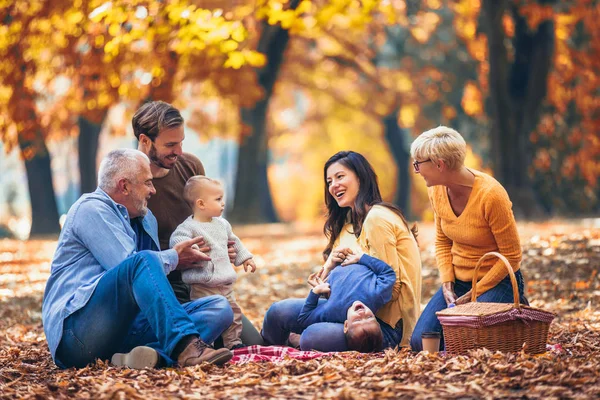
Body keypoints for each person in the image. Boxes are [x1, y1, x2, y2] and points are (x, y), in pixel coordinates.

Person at [41, 149, 234, 369]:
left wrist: (214, 252)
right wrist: (174, 257)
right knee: (142, 262)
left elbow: (150, 285)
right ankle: (186, 348)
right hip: (76, 335)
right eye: (148, 183)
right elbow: (130, 265)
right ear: (124, 186)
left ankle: (145, 357)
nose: (153, 190)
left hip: (123, 332)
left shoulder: (145, 219)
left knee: (219, 307)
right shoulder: (91, 209)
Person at [133, 100, 264, 346]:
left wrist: (223, 245)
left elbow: (210, 218)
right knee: (199, 343)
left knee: (251, 344)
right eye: (170, 145)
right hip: (165, 289)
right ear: (145, 140)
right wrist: (176, 258)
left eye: (181, 142)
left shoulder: (190, 166)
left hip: (207, 285)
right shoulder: (132, 180)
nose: (179, 151)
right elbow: (129, 256)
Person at [262, 151, 422, 351]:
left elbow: (392, 288)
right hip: (346, 309)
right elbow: (333, 284)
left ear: (361, 177)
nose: (333, 186)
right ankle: (265, 349)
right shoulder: (348, 223)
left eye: (340, 177)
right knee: (277, 312)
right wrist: (327, 270)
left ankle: (298, 340)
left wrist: (354, 273)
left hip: (381, 324)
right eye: (329, 181)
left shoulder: (377, 219)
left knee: (312, 336)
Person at [409, 126, 528, 352]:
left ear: (439, 164)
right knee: (422, 342)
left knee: (467, 340)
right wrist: (447, 282)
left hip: (497, 280)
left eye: (418, 164)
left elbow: (512, 257)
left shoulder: (491, 195)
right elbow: (443, 241)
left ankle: (511, 310)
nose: (416, 170)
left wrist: (475, 294)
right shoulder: (436, 189)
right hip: (460, 283)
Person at [170, 176, 257, 349]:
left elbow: (235, 241)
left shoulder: (223, 224)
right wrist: (192, 249)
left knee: (234, 313)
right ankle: (205, 345)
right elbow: (177, 241)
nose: (223, 203)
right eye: (218, 199)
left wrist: (245, 257)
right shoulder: (189, 227)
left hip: (225, 282)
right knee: (208, 315)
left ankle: (233, 342)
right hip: (203, 284)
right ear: (201, 204)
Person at [269, 251, 396, 353]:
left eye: (357, 320)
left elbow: (304, 318)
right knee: (277, 311)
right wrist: (362, 258)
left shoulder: (333, 311)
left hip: (335, 273)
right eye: (369, 317)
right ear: (375, 318)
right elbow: (388, 274)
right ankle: (277, 341)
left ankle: (286, 343)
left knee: (308, 336)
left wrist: (315, 293)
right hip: (353, 260)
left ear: (345, 325)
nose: (362, 314)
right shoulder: (375, 295)